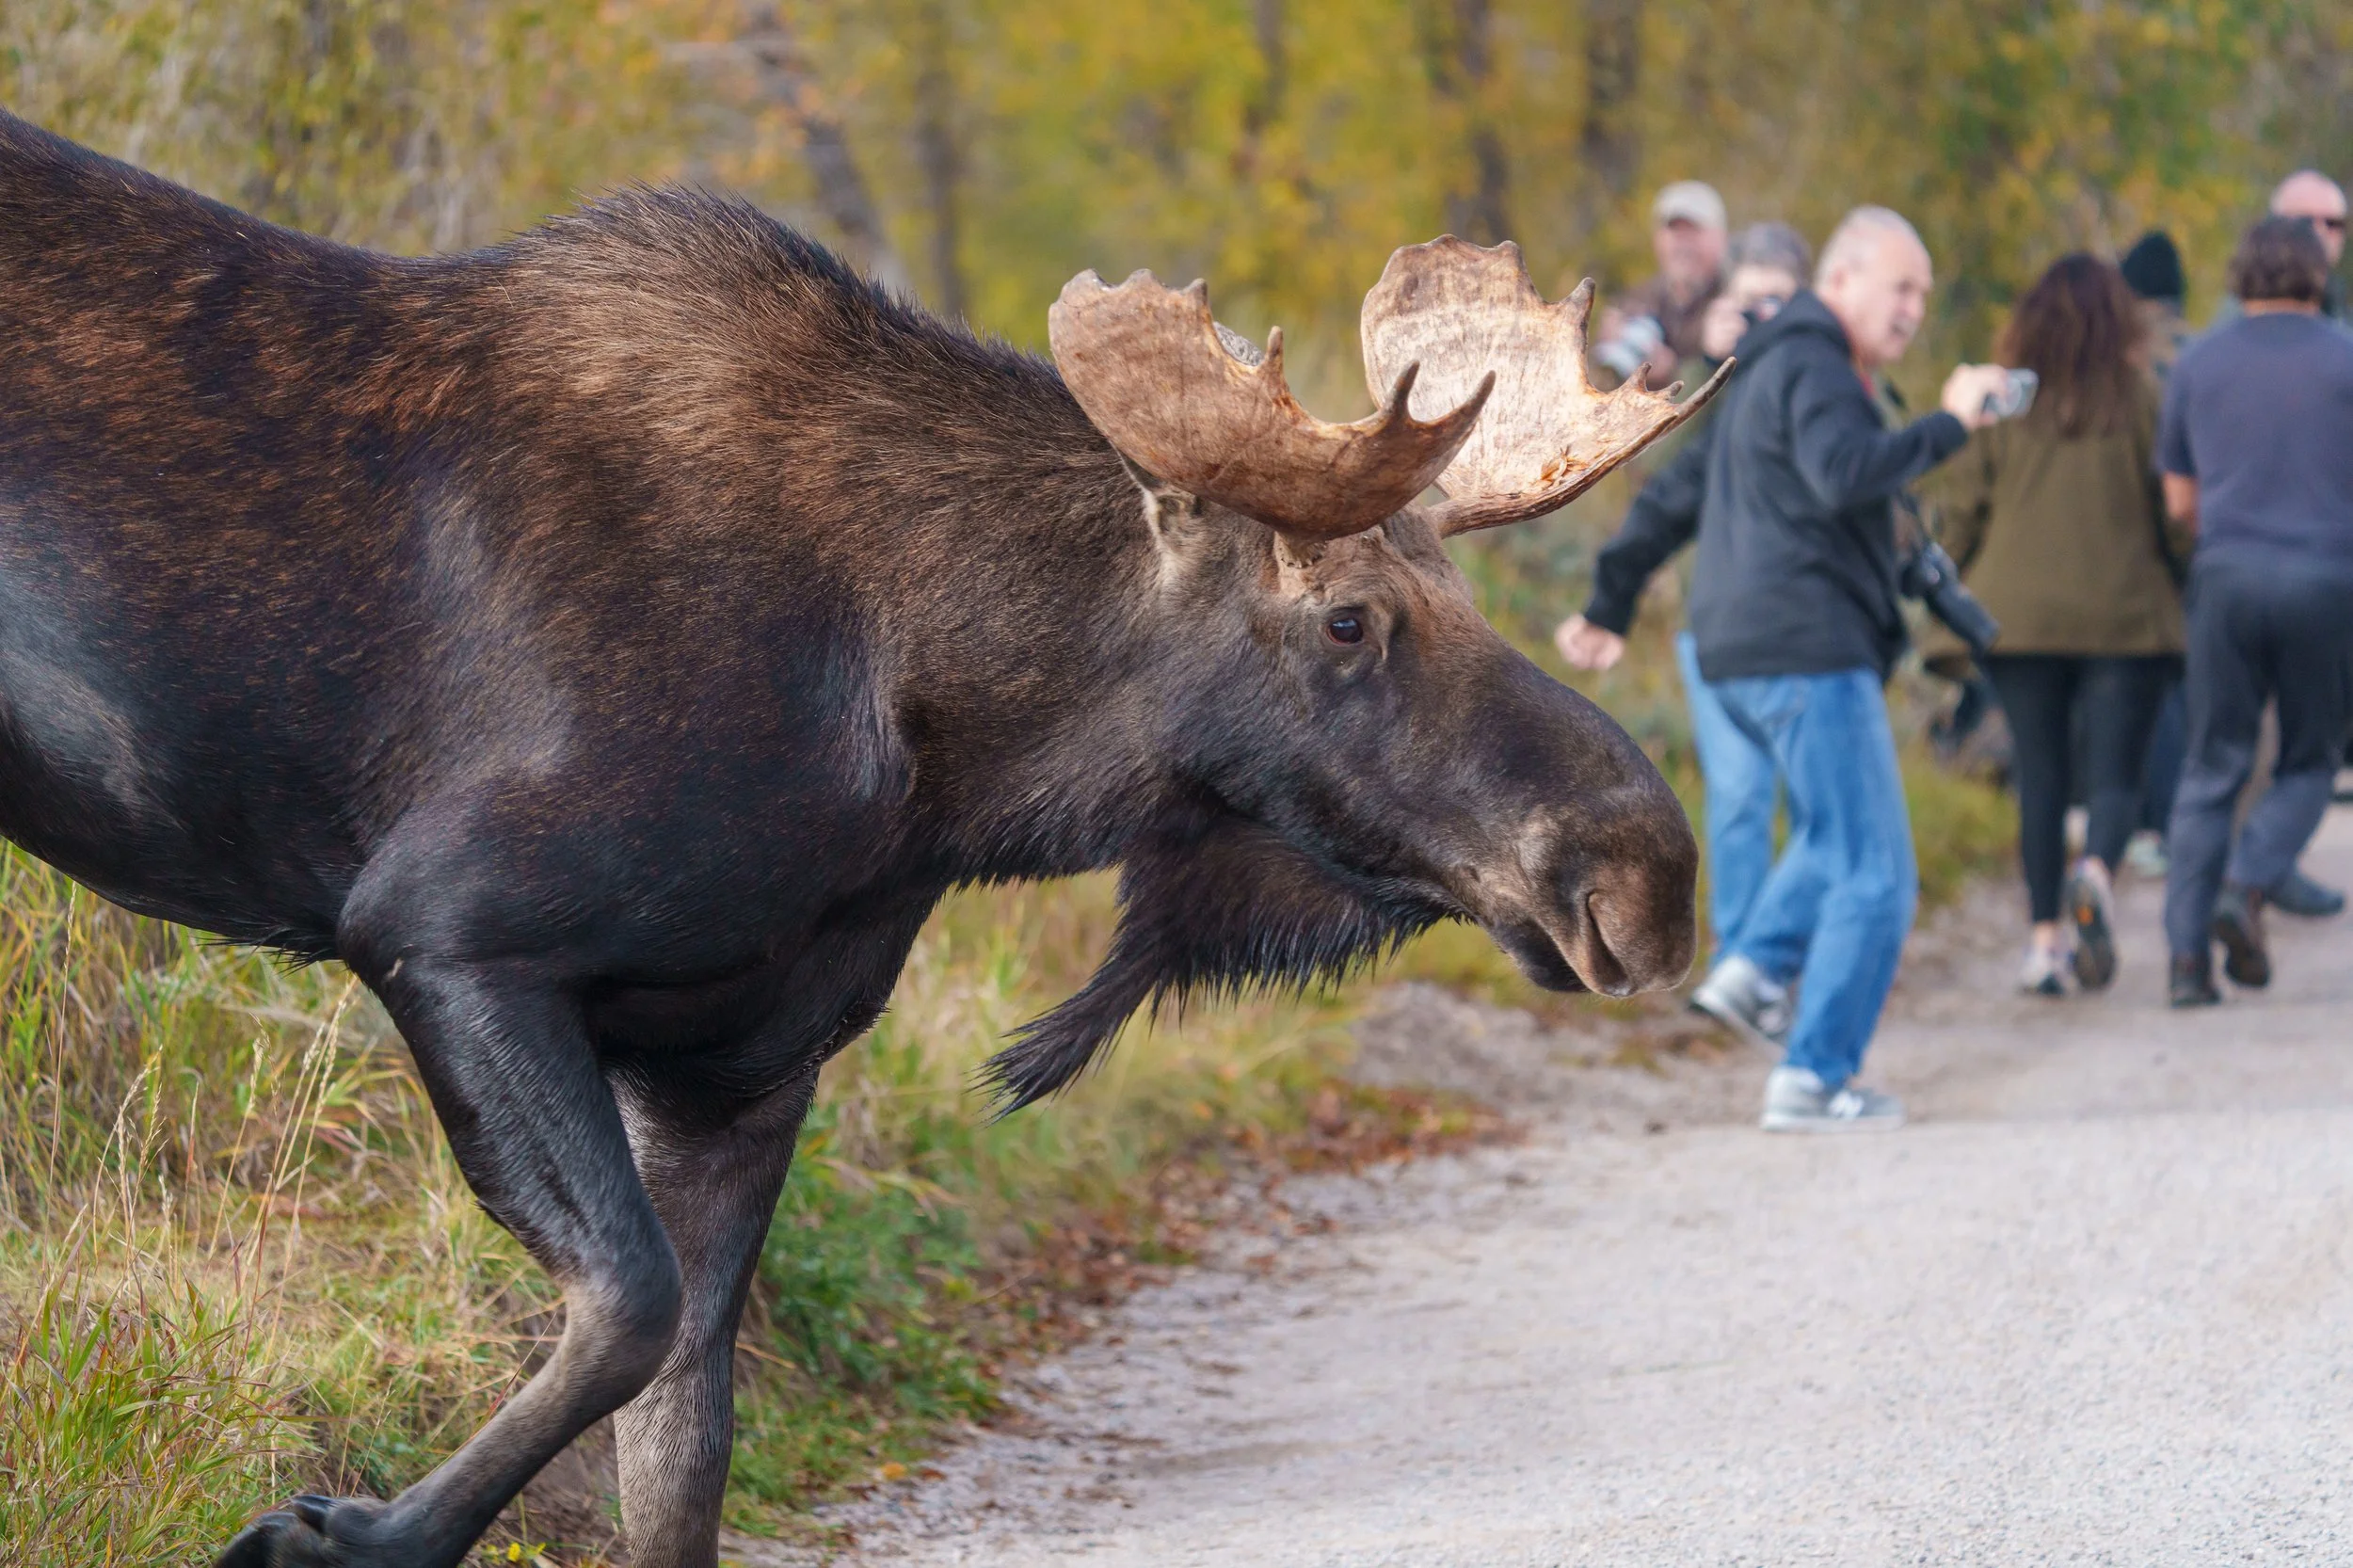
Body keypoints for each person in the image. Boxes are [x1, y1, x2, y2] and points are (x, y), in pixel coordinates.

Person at [1590, 206, 2007, 1130]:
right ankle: (1812, 1075)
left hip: (1742, 646)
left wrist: (1607, 599)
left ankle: (1750, 968)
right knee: (1875, 872)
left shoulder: (1771, 364)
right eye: (1900, 288)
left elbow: (1696, 493)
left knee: (1832, 833)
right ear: (1844, 277)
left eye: (1922, 296)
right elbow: (1843, 471)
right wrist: (1949, 422)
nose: (1911, 310)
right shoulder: (1816, 360)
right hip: (1805, 647)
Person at [1558, 224, 1815, 1046]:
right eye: (1751, 302)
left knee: (1820, 812)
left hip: (1816, 638)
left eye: (1781, 299)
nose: (1766, 316)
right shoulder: (1728, 398)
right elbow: (1670, 499)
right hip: (1724, 634)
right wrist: (1609, 604)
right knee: (1739, 803)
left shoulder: (1829, 388)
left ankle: (1768, 961)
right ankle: (1746, 970)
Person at [1929, 255, 2186, 997]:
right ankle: (2097, 873)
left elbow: (1966, 509)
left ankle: (2044, 947)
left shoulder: (2005, 400)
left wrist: (1945, 586)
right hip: (2125, 618)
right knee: (2116, 776)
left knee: (2040, 779)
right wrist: (2186, 570)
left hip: (2019, 619)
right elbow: (2172, 511)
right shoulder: (2143, 398)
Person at [2157, 216, 2353, 1007]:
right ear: (2317, 277)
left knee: (2212, 767)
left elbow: (2178, 499)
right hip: (2325, 580)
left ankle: (2184, 967)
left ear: (2241, 276)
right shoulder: (2345, 359)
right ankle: (2248, 883)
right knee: (2311, 758)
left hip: (2226, 578)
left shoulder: (2197, 362)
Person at [1593, 181, 1728, 389]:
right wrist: (1601, 353)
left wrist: (1672, 374)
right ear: (1657, 239)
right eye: (1674, 231)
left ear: (1720, 238)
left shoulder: (1736, 299)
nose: (1683, 243)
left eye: (1693, 231)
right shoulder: (1634, 301)